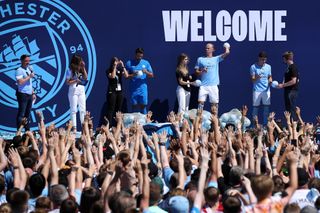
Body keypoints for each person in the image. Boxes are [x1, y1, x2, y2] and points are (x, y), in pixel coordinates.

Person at [195, 43, 230, 112]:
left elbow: (227, 53)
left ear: (213, 50)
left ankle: (215, 122)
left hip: (213, 86)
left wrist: (227, 47)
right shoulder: (200, 59)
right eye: (206, 48)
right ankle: (198, 122)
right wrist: (202, 71)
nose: (206, 49)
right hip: (203, 86)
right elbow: (196, 72)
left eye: (208, 48)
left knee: (214, 107)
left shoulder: (216, 59)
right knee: (200, 105)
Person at [126, 48, 154, 114]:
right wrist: (133, 75)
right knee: (134, 106)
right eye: (138, 56)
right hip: (133, 89)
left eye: (141, 56)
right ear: (135, 54)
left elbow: (152, 75)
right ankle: (134, 123)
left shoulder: (146, 63)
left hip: (143, 88)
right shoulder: (129, 63)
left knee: (143, 105)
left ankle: (144, 122)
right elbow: (126, 76)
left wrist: (146, 72)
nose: (139, 58)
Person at [65, 54, 88, 132]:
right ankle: (74, 127)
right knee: (73, 109)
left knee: (83, 108)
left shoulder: (81, 68)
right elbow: (67, 82)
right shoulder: (70, 69)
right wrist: (75, 80)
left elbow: (85, 78)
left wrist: (84, 67)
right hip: (73, 89)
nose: (81, 62)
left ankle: (83, 127)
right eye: (80, 60)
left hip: (81, 89)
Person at [250, 51, 272, 126]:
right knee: (255, 109)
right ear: (259, 58)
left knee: (266, 109)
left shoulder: (268, 67)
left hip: (266, 90)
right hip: (257, 90)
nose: (264, 61)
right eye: (262, 59)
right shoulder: (253, 67)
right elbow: (252, 79)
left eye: (265, 59)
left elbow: (270, 76)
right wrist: (256, 77)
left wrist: (270, 81)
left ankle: (266, 126)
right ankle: (254, 126)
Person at [15, 54, 36, 131]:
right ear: (22, 61)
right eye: (26, 61)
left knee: (28, 113)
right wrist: (29, 77)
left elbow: (29, 83)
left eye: (29, 61)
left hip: (29, 94)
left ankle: (27, 131)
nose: (28, 62)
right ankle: (19, 131)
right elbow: (20, 82)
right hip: (22, 94)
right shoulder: (19, 70)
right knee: (21, 113)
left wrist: (33, 93)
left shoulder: (29, 69)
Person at [106, 57, 128, 125]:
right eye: (115, 62)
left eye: (117, 61)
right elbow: (112, 76)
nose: (117, 63)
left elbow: (126, 76)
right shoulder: (108, 70)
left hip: (119, 91)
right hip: (112, 91)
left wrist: (123, 66)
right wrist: (114, 66)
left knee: (119, 109)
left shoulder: (120, 69)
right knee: (111, 109)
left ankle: (117, 125)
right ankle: (108, 125)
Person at [277, 51, 299, 120]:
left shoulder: (293, 67)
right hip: (288, 91)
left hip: (291, 92)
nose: (283, 60)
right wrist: (283, 84)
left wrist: (283, 85)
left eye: (283, 58)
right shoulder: (289, 67)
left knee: (291, 110)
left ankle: (294, 128)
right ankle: (291, 126)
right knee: (289, 110)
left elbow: (294, 81)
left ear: (286, 59)